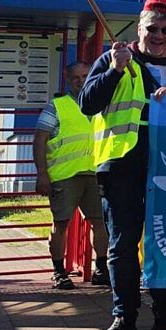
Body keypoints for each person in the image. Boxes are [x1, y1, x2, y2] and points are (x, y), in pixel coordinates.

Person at [81, 0, 166, 330]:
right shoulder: (115, 59)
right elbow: (88, 103)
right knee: (123, 244)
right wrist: (115, 70)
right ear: (140, 26)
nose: (159, 35)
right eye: (152, 28)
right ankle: (124, 318)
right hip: (122, 165)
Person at [33, 62, 109, 290]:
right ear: (68, 80)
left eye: (85, 75)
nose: (81, 80)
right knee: (61, 224)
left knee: (101, 224)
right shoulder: (57, 106)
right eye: (76, 77)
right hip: (64, 176)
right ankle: (59, 272)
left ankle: (101, 269)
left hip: (95, 173)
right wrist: (42, 174)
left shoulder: (101, 104)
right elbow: (40, 139)